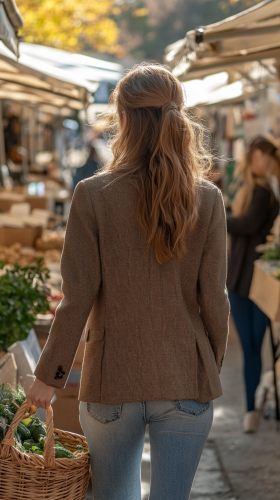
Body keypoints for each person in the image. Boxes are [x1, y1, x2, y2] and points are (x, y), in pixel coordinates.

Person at [27, 64, 229, 500]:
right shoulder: (209, 199)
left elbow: (76, 298)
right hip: (185, 376)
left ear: (123, 119)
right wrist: (209, 363)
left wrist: (50, 375)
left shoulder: (92, 194)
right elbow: (215, 298)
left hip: (111, 380)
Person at [227, 136, 280, 434]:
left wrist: (219, 217)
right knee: (251, 348)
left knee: (254, 348)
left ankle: (251, 410)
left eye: (267, 155)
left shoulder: (262, 192)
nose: (264, 160)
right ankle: (250, 410)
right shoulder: (247, 188)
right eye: (261, 154)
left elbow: (246, 225)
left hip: (250, 281)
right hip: (242, 280)